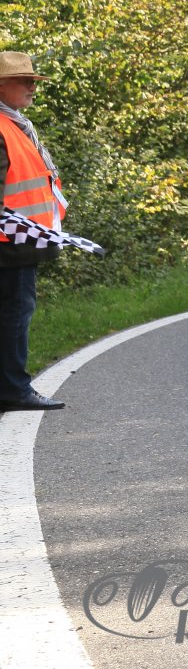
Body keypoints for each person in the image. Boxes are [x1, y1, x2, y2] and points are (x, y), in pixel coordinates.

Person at [0, 51, 66, 412]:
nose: (32, 87)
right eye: (24, 81)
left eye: (33, 81)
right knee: (15, 313)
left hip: (18, 239)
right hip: (10, 244)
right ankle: (13, 390)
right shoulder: (3, 127)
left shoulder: (15, 124)